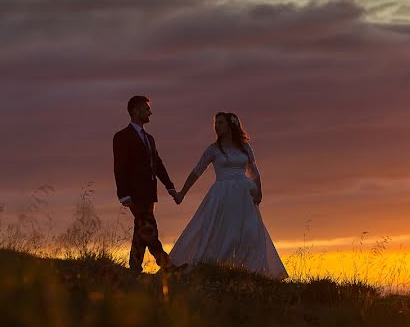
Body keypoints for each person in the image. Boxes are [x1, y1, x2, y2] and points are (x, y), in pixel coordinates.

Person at [170, 112, 288, 279]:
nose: (217, 126)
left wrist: (259, 191)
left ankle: (253, 271)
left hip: (243, 194)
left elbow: (254, 171)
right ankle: (214, 268)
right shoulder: (213, 149)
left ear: (230, 125)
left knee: (250, 231)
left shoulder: (245, 148)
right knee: (221, 230)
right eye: (216, 123)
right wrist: (182, 192)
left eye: (221, 123)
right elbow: (197, 171)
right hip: (222, 194)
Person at [112, 96, 179, 273]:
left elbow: (157, 163)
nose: (150, 112)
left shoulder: (149, 138)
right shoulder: (121, 137)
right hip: (133, 193)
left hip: (149, 192)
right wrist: (124, 194)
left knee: (141, 228)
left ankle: (134, 267)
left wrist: (169, 186)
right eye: (146, 109)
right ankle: (167, 264)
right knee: (149, 227)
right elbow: (119, 167)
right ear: (135, 110)